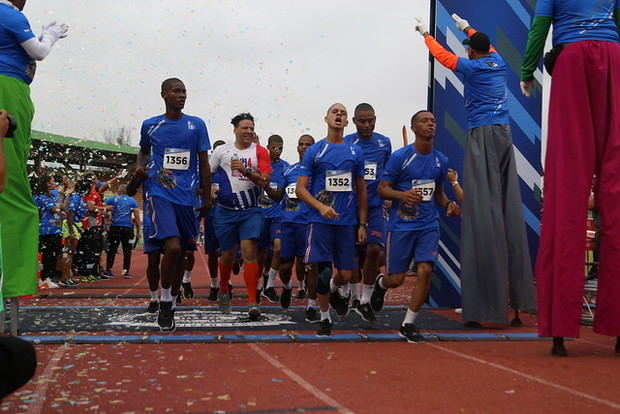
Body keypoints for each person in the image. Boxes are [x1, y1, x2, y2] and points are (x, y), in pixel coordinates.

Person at [414, 14, 536, 326]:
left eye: (469, 46)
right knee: (505, 209)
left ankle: (485, 307)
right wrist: (465, 26)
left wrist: (426, 34)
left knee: (482, 213)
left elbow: (441, 56)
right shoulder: (497, 61)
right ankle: (518, 303)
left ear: (472, 52)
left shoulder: (473, 65)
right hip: (504, 136)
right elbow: (486, 43)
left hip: (483, 134)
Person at [520, 0, 620, 357]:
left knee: (567, 184)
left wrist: (527, 70)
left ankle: (560, 328)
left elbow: (539, 29)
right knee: (616, 187)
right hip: (614, 57)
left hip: (574, 60)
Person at [371, 110, 460, 342]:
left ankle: (408, 323)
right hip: (401, 227)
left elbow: (439, 194)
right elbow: (382, 189)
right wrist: (402, 195)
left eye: (433, 121)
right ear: (414, 128)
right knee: (396, 280)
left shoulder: (441, 160)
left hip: (428, 225)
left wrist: (449, 204)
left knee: (425, 270)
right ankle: (381, 284)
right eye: (425, 121)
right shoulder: (400, 157)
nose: (430, 124)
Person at [0, 0, 68, 301]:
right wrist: (49, 36)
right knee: (12, 185)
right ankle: (10, 282)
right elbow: (38, 52)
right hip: (8, 88)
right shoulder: (8, 13)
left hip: (13, 86)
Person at [136, 78, 211, 332]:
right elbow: (143, 152)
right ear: (163, 95)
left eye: (184, 91)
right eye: (176, 91)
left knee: (185, 253)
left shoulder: (197, 125)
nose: (182, 95)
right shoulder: (150, 125)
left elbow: (204, 163)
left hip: (188, 197)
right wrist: (140, 167)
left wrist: (207, 198)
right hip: (160, 193)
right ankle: (165, 299)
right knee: (173, 247)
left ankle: (171, 299)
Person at [296, 103, 367, 337]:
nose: (339, 115)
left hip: (346, 223)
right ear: (326, 118)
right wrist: (320, 207)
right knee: (323, 273)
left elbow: (361, 190)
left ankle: (336, 291)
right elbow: (300, 189)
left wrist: (362, 223)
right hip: (320, 222)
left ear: (348, 122)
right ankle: (325, 319)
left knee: (346, 275)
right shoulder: (315, 151)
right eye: (335, 112)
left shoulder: (355, 152)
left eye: (343, 113)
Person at [209, 113, 271, 320]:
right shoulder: (222, 151)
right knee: (226, 255)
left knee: (249, 251)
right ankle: (224, 289)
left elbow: (264, 181)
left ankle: (252, 301)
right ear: (235, 129)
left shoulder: (261, 152)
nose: (249, 131)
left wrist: (246, 171)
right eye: (244, 128)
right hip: (225, 211)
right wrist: (208, 189)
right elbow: (206, 173)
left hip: (251, 210)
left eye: (251, 128)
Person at [344, 103, 392, 322]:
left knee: (375, 252)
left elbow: (389, 172)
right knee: (353, 256)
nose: (367, 124)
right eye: (362, 121)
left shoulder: (384, 143)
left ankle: (366, 300)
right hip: (351, 207)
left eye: (370, 120)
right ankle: (354, 298)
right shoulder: (346, 143)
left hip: (375, 206)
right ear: (354, 122)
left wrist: (390, 195)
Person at [277, 134, 317, 318]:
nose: (304, 147)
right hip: (288, 223)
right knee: (285, 266)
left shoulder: (317, 172)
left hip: (308, 224)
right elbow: (278, 194)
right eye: (301, 144)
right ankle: (286, 287)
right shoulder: (288, 170)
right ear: (297, 148)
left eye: (308, 144)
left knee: (307, 265)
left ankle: (311, 304)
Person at [259, 134, 290, 303]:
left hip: (278, 216)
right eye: (274, 148)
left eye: (280, 148)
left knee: (278, 249)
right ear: (268, 147)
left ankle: (269, 286)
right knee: (261, 254)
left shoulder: (286, 168)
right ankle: (259, 284)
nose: (277, 151)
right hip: (260, 215)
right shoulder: (260, 165)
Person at [32, 172, 65, 287]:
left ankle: (48, 278)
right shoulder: (42, 197)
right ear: (47, 183)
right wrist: (60, 206)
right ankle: (44, 278)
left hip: (54, 229)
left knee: (52, 255)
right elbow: (56, 210)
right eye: (51, 180)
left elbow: (59, 210)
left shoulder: (51, 196)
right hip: (46, 231)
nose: (54, 183)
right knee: (47, 255)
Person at [104, 184, 141, 279]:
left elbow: (102, 206)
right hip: (127, 228)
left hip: (115, 227)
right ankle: (126, 271)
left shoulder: (113, 199)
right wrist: (138, 232)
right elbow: (137, 218)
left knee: (112, 249)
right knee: (127, 250)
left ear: (119, 191)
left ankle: (108, 269)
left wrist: (107, 215)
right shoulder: (133, 201)